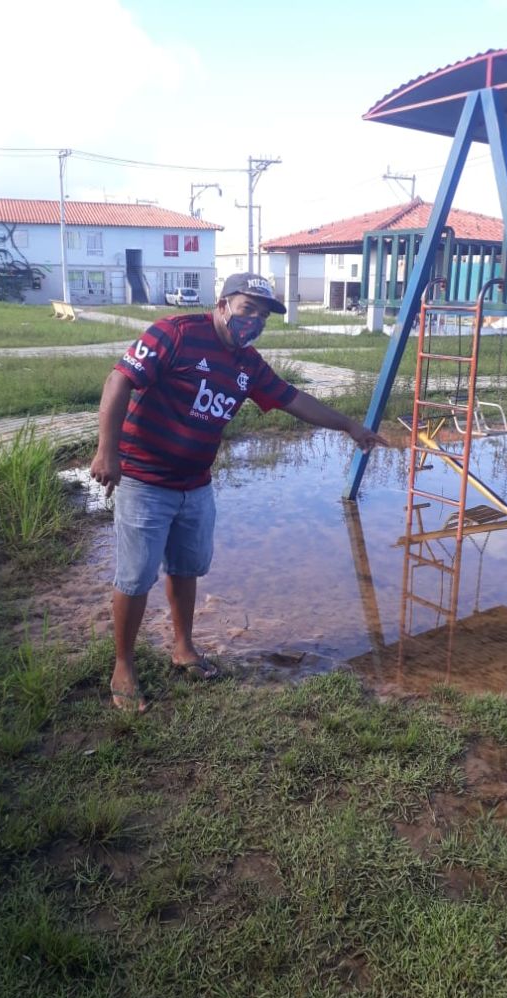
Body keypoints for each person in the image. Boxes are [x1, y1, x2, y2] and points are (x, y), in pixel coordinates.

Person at [90, 273, 387, 710]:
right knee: (135, 577)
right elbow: (119, 381)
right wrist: (107, 452)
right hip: (144, 479)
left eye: (263, 316)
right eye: (248, 309)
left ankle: (183, 647)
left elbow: (292, 398)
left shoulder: (248, 364)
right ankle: (124, 665)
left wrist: (349, 426)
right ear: (223, 303)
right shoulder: (175, 334)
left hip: (196, 483)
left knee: (186, 568)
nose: (254, 321)